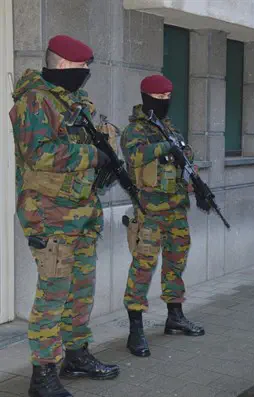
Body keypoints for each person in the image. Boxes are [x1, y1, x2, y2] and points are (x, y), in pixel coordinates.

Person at [9, 35, 120, 397]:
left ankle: (76, 354)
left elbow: (86, 142)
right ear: (61, 65)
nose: (85, 73)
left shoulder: (73, 101)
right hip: (49, 214)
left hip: (81, 212)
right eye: (80, 67)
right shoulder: (34, 101)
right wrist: (92, 155)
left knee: (80, 290)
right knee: (53, 294)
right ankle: (42, 375)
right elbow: (39, 154)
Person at [121, 75, 205, 358]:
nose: (164, 103)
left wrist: (197, 185)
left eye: (167, 98)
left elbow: (185, 159)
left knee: (176, 262)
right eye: (158, 99)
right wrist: (166, 147)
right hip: (149, 212)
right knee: (143, 267)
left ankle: (175, 316)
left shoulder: (168, 126)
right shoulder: (135, 130)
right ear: (146, 98)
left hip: (176, 209)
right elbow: (134, 156)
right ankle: (135, 330)